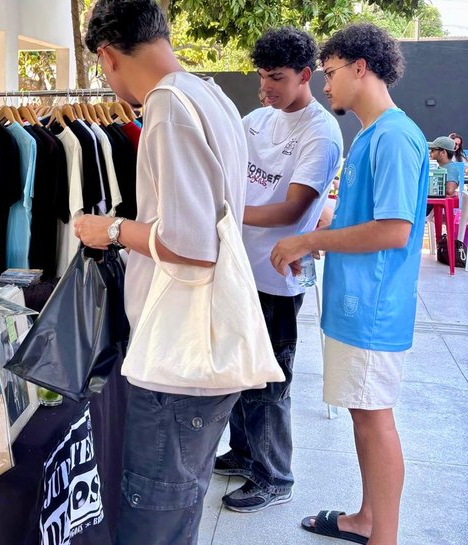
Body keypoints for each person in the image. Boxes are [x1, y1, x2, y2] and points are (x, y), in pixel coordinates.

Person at [75, 1, 248, 543]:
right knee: (178, 503)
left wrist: (109, 229)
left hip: (178, 356)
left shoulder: (168, 107)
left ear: (107, 55)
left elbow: (190, 242)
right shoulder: (210, 95)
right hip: (204, 346)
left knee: (154, 511)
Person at [271, 23, 429, 545]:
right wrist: (332, 219)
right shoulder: (373, 135)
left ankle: (384, 536)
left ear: (361, 67)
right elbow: (374, 215)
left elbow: (394, 230)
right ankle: (367, 518)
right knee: (363, 415)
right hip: (357, 303)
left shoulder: (395, 136)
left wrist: (307, 243)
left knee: (374, 419)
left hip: (374, 308)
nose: (326, 85)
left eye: (331, 72)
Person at [217, 27, 343, 514]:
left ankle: (275, 477)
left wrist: (225, 208)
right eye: (262, 77)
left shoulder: (320, 131)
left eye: (276, 79)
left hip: (277, 277)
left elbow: (293, 210)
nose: (265, 88)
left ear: (305, 76)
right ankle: (246, 453)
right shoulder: (254, 120)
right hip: (239, 270)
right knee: (239, 369)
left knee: (270, 379)